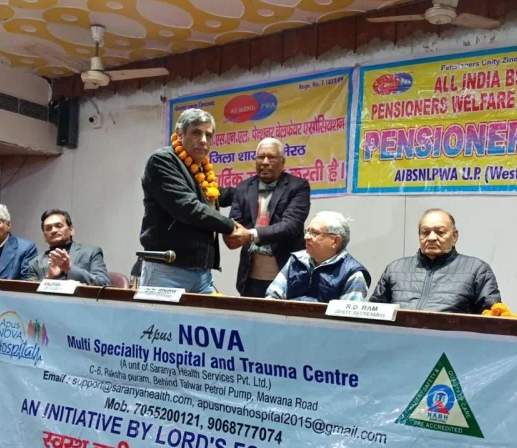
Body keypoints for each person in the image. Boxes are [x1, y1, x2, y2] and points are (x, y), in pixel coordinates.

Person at [139, 108, 248, 293]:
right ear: (179, 134)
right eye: (196, 133)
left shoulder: (199, 167)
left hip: (202, 272)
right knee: (162, 316)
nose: (203, 140)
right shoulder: (162, 160)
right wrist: (231, 226)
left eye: (208, 135)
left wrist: (252, 191)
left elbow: (215, 194)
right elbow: (187, 207)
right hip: (167, 269)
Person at [224, 138, 311, 297]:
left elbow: (290, 226)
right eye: (260, 157)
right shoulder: (244, 187)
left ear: (282, 162)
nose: (264, 162)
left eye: (271, 157)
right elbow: (235, 223)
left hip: (287, 276)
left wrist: (250, 235)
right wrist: (230, 235)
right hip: (250, 277)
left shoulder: (298, 187)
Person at [370, 209, 501, 313]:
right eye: (425, 232)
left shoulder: (477, 270)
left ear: (454, 236)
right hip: (399, 338)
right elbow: (372, 314)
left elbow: (492, 319)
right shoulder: (395, 269)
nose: (431, 238)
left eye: (440, 232)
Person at [265, 211, 370, 302]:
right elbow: (272, 298)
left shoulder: (353, 274)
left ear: (335, 241)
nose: (306, 237)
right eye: (307, 231)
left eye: (314, 233)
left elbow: (346, 316)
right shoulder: (296, 260)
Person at [26, 209, 110, 286]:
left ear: (71, 230)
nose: (53, 230)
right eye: (48, 228)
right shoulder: (35, 263)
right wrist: (49, 277)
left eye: (59, 226)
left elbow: (104, 283)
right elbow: (28, 291)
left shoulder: (91, 252)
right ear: (45, 236)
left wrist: (70, 269)